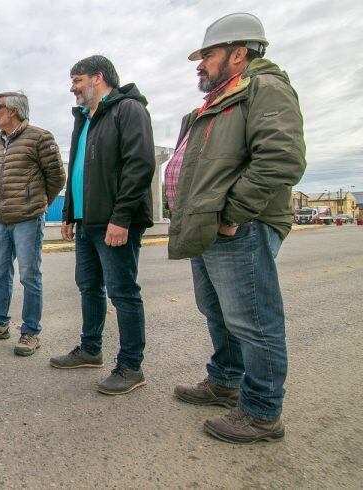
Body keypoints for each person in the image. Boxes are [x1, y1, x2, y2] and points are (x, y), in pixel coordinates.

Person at [167, 13, 306, 443]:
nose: (200, 63)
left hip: (238, 227)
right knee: (218, 312)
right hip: (208, 227)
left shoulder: (265, 89)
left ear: (239, 53)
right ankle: (226, 381)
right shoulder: (219, 99)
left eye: (208, 54)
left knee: (253, 320)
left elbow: (281, 158)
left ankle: (263, 411)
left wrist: (232, 213)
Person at [50, 55, 156, 395]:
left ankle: (130, 367)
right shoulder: (84, 119)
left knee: (123, 292)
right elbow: (77, 170)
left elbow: (139, 165)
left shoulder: (128, 109)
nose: (73, 87)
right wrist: (69, 212)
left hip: (115, 221)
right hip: (88, 220)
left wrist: (121, 217)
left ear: (98, 77)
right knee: (88, 286)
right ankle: (90, 349)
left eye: (77, 80)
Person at [0, 92, 65, 356]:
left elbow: (57, 178)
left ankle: (31, 331)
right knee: (0, 273)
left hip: (28, 219)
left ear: (12, 111)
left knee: (30, 276)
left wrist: (36, 203)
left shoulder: (39, 137)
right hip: (1, 219)